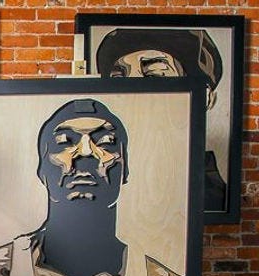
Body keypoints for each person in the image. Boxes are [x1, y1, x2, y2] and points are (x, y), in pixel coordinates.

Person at [0, 98, 185, 276]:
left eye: (105, 142)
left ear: (125, 169)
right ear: (41, 169)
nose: (86, 153)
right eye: (64, 142)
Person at [95, 28, 225, 210]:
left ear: (204, 98)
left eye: (154, 77)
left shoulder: (211, 196)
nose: (131, 93)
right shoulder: (100, 183)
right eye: (119, 79)